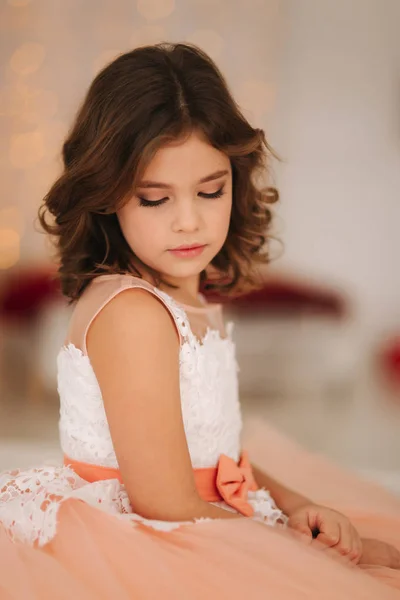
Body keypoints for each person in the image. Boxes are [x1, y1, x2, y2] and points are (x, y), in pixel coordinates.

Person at [0, 42, 399, 599]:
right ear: (107, 196)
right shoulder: (133, 313)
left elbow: (219, 457)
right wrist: (292, 544)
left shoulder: (186, 292)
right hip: (150, 533)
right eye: (155, 200)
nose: (189, 221)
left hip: (204, 508)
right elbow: (163, 501)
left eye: (210, 190)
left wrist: (297, 504)